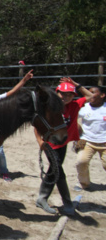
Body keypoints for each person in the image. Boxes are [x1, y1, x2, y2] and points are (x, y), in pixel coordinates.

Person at [35, 77, 91, 215]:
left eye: (69, 94)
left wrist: (76, 85)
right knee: (58, 171)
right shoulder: (49, 107)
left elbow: (91, 96)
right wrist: (40, 142)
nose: (65, 97)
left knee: (53, 170)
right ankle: (67, 203)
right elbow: (36, 125)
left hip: (63, 142)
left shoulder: (75, 105)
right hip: (50, 144)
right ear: (57, 93)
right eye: (63, 94)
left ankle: (42, 198)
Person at [75, 86, 106, 190]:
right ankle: (84, 183)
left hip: (105, 142)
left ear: (102, 95)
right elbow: (72, 119)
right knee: (81, 161)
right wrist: (79, 136)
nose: (89, 94)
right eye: (88, 92)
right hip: (86, 141)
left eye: (93, 92)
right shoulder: (84, 108)